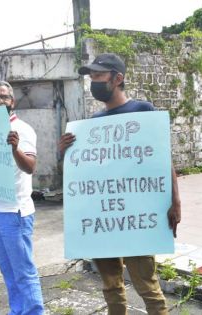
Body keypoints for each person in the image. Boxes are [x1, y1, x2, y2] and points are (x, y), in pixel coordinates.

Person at [58, 53, 182, 315]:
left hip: (136, 218)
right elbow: (84, 174)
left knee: (148, 287)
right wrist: (64, 152)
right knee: (111, 287)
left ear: (118, 79)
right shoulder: (91, 125)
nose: (93, 82)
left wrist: (175, 200)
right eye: (91, 77)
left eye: (99, 76)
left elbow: (162, 160)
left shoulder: (143, 111)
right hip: (104, 220)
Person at [0, 80, 44, 314]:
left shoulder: (22, 129)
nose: (0, 101)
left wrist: (15, 148)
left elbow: (30, 166)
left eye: (4, 97)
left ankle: (34, 311)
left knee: (24, 272)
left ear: (13, 101)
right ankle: (18, 310)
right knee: (8, 271)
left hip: (15, 213)